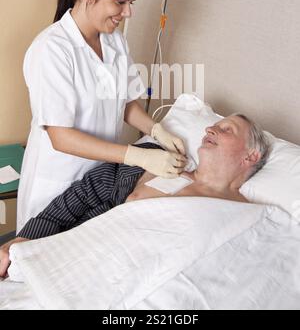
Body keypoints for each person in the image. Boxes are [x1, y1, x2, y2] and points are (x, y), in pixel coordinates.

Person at [17, 0, 187, 233]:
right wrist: (137, 155)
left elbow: (126, 104)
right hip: (58, 180)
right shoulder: (52, 49)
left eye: (131, 2)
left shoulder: (115, 43)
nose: (128, 12)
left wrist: (157, 130)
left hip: (97, 181)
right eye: (120, 2)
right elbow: (61, 137)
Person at [0, 114, 271, 279]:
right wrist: (26, 238)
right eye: (213, 125)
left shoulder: (249, 217)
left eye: (226, 130)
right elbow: (79, 197)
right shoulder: (151, 165)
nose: (210, 130)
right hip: (77, 261)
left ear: (251, 156)